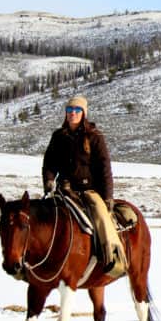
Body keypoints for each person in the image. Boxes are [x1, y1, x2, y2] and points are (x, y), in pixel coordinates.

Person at [42, 96, 126, 276]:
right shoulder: (58, 136)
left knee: (101, 216)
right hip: (64, 190)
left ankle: (113, 257)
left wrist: (108, 197)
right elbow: (49, 162)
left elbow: (105, 168)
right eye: (70, 111)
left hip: (88, 190)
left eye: (77, 111)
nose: (73, 114)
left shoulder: (95, 136)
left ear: (83, 113)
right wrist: (48, 180)